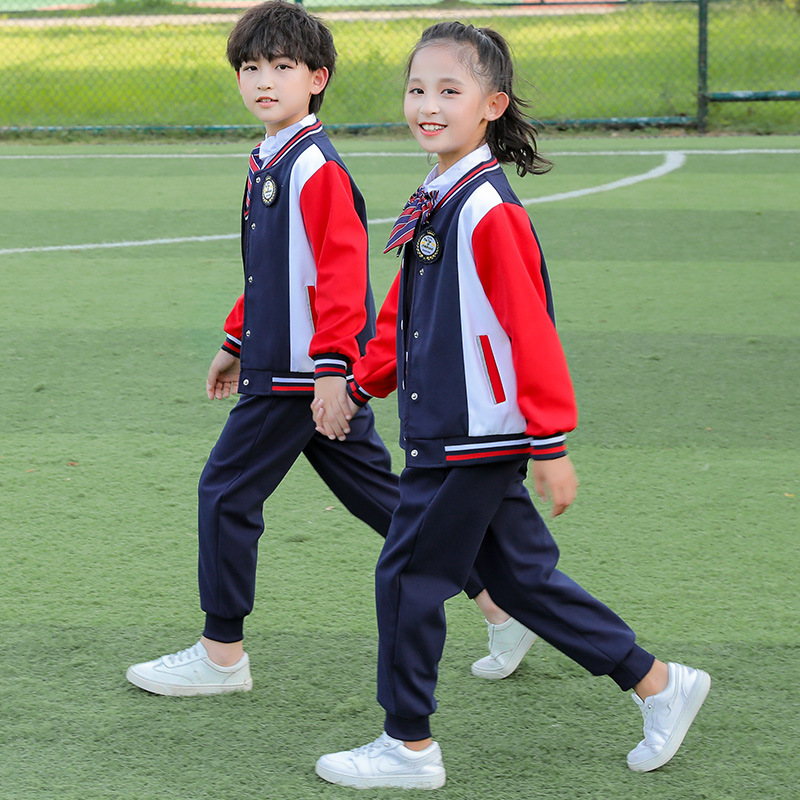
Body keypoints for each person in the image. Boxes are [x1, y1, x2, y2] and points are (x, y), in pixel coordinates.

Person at [313, 22, 710, 789]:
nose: (427, 105)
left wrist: (551, 441)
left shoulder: (487, 209)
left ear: (491, 104)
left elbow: (531, 330)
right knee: (521, 580)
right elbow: (406, 311)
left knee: (407, 577)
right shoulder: (440, 193)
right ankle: (660, 683)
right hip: (453, 432)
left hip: (473, 437)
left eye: (449, 91)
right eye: (417, 89)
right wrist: (364, 381)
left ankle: (409, 747)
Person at [125, 2, 532, 698]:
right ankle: (501, 604)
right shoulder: (270, 157)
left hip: (298, 375)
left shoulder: (316, 168)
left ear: (317, 79)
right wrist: (233, 340)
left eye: (282, 67)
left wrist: (332, 372)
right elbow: (276, 272)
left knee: (224, 493)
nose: (263, 80)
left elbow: (342, 283)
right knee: (391, 504)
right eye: (251, 67)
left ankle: (221, 654)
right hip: (290, 369)